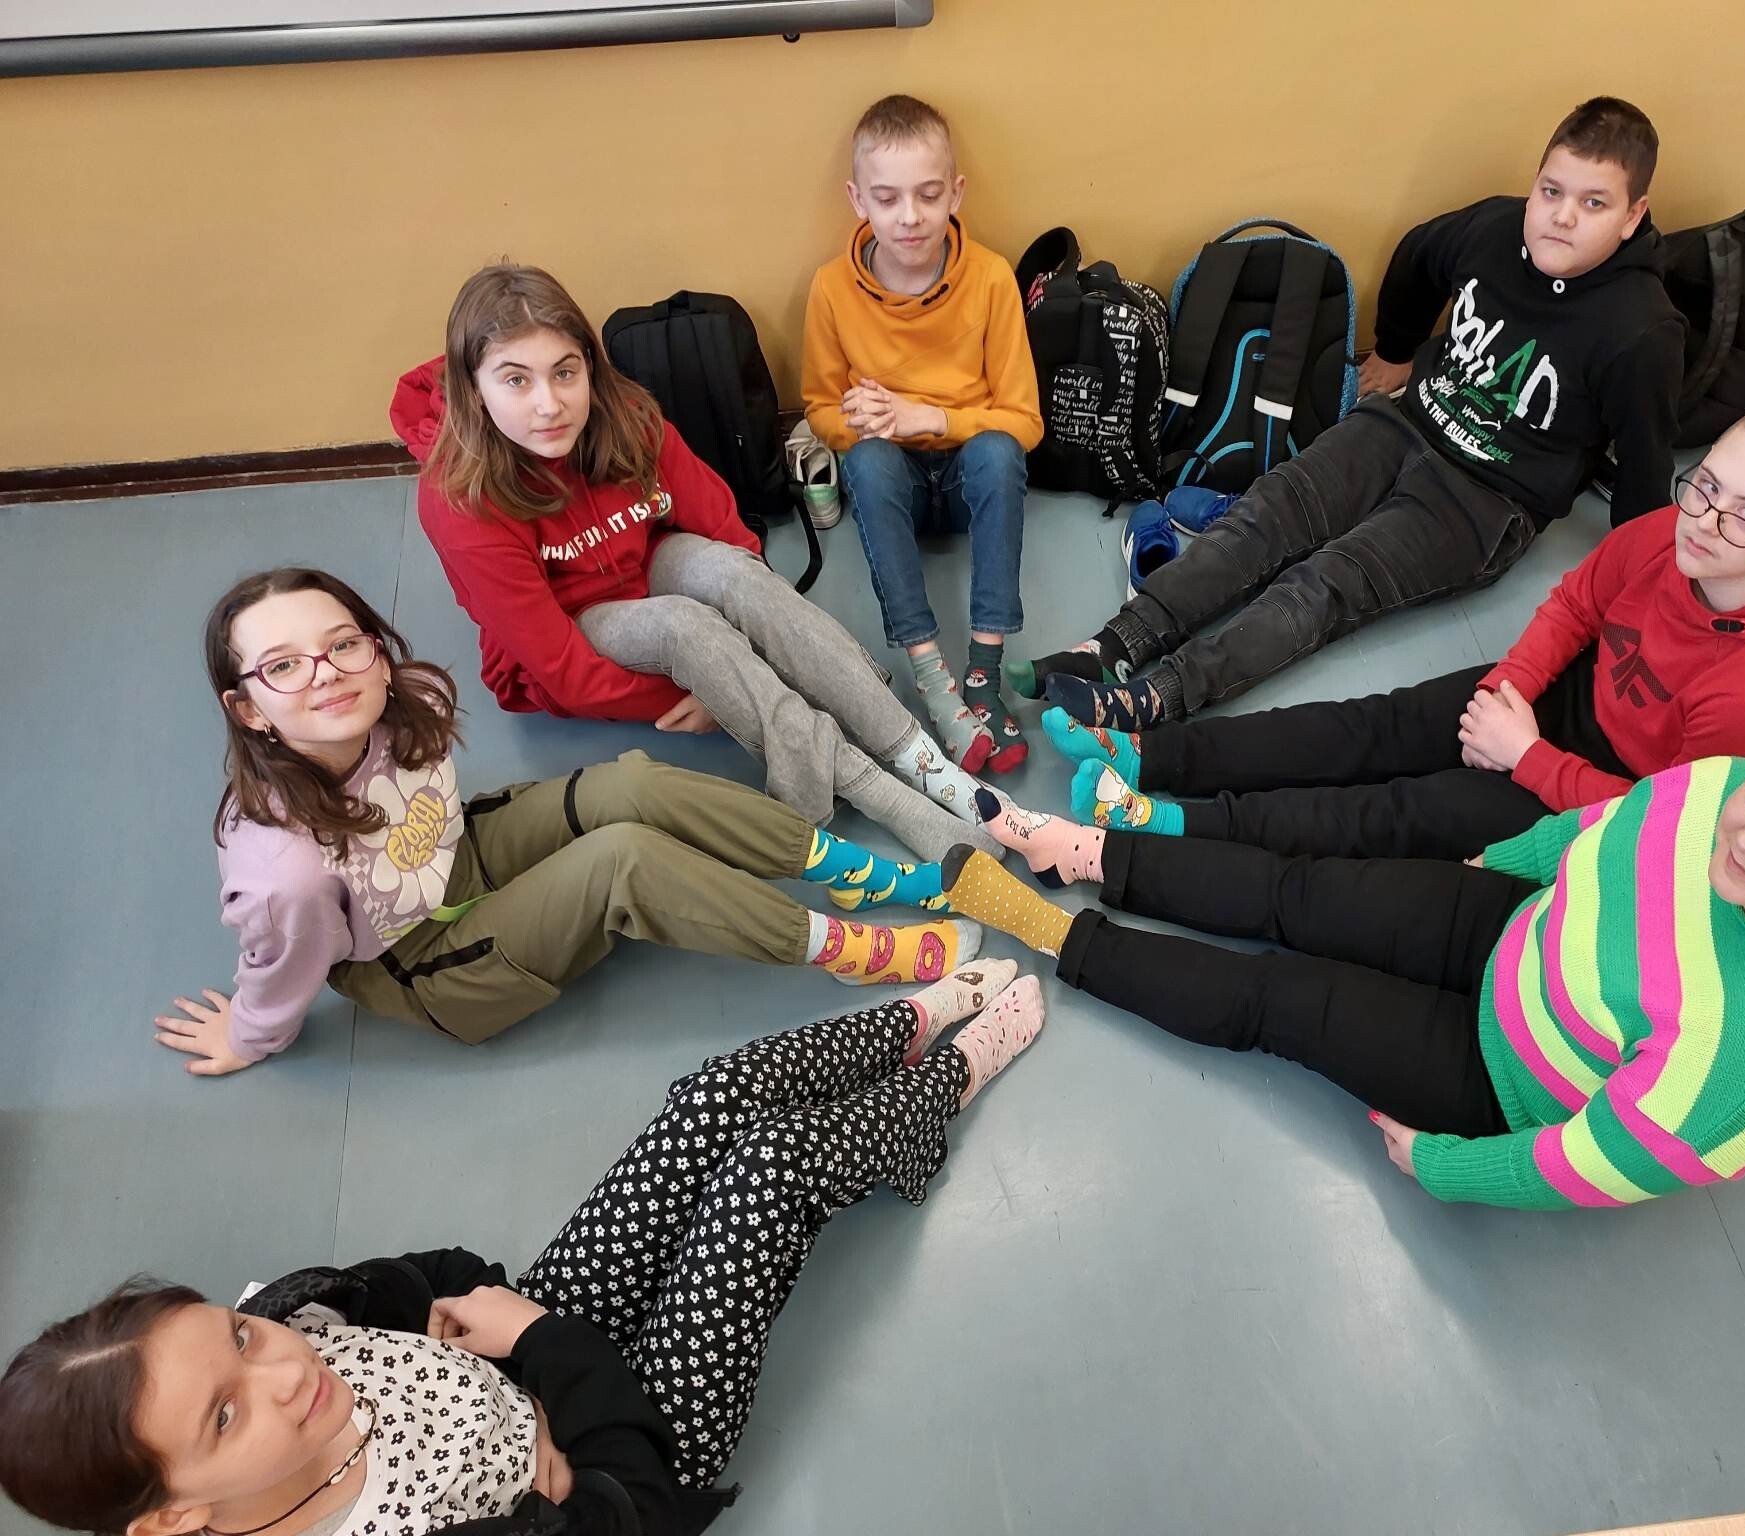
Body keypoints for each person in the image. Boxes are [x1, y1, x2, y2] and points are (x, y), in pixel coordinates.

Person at [5, 968, 1047, 1535]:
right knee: (770, 1176)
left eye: (237, 1336)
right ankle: (932, 1098)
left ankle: (900, 1028)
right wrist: (541, 1346)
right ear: (174, 1520)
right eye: (225, 1415)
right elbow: (632, 1504)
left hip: (525, 1345)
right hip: (638, 1450)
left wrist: (498, 1318)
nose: (282, 1367)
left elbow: (428, 1273)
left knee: (710, 1100)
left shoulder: (296, 1322)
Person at [944, 678, 1745, 1209]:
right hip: (1521, 926)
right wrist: (1505, 863)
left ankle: (1057, 933)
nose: (1744, 840)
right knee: (1301, 889)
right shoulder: (1724, 785)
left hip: (1503, 1079)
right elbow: (1609, 825)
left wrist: (1443, 1165)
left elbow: (1594, 1163)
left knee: (1278, 1000)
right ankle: (1091, 856)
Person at [1012, 96, 1684, 731]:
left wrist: (1631, 598)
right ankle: (1113, 646)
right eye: (1551, 191)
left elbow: (1644, 475)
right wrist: (1395, 350)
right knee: (1269, 511)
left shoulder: (1640, 329)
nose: (1562, 217)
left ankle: (1156, 695)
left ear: (1633, 216)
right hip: (1408, 424)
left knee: (1327, 582)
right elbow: (1421, 254)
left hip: (1488, 497)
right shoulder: (1497, 230)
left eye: (1593, 203)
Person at [149, 568, 984, 1078]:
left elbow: (430, 816)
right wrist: (251, 1035)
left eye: (343, 645)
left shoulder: (408, 701)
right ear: (246, 709)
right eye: (283, 667)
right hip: (423, 960)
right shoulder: (284, 874)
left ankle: (854, 873)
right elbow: (284, 960)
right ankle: (847, 951)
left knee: (635, 786)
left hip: (454, 859)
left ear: (374, 646)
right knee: (624, 858)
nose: (327, 675)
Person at [1043, 395, 1745, 862]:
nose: (1706, 521)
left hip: (1614, 791)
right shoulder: (1674, 529)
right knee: (1373, 726)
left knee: (1403, 812)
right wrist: (1508, 691)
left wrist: (1529, 758)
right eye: (1708, 486)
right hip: (1566, 703)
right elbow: (1577, 606)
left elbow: (1669, 827)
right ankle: (1148, 755)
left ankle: (1171, 822)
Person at [392, 263, 1000, 865]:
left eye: (565, 372)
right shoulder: (459, 500)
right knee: (687, 627)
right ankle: (883, 796)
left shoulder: (625, 413)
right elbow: (562, 671)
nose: (549, 404)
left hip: (644, 565)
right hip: (574, 625)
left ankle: (921, 759)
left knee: (732, 574)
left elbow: (730, 536)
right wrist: (712, 688)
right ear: (474, 388)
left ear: (589, 366)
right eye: (516, 381)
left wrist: (755, 657)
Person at [802, 93, 1043, 776]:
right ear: (858, 201)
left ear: (955, 194)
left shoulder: (990, 278)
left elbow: (1025, 422)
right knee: (870, 462)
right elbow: (818, 407)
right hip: (896, 488)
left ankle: (983, 674)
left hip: (968, 477)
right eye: (887, 199)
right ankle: (933, 678)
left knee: (997, 452)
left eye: (929, 195)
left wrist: (931, 417)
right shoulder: (831, 289)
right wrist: (860, 420)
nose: (909, 217)